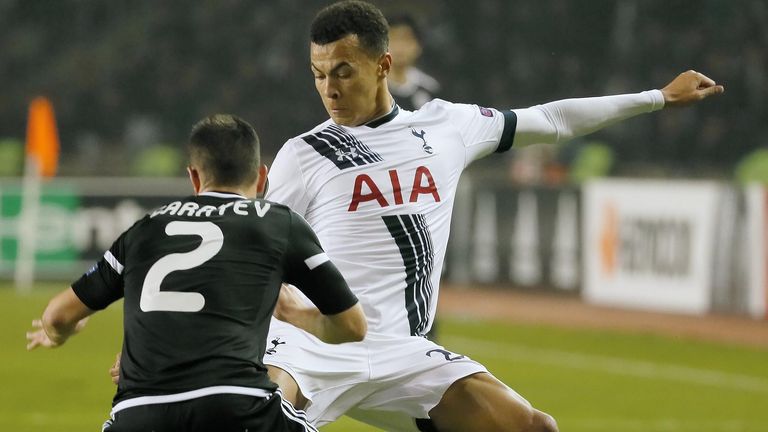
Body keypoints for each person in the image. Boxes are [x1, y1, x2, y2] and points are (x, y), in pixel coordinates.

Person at [260, 2, 724, 431]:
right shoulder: (305, 154)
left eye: (343, 71)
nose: (329, 89)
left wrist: (658, 97)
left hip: (402, 352)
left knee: (534, 428)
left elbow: (553, 120)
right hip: (313, 343)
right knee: (255, 420)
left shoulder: (447, 126)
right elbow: (261, 251)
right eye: (318, 74)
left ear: (383, 65)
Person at [26, 114, 367, 432]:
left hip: (139, 412)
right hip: (239, 406)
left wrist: (59, 334)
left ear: (193, 176)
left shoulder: (143, 230)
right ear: (262, 177)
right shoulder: (278, 223)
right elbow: (352, 326)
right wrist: (296, 315)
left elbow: (56, 316)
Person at [387, 13, 440, 111]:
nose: (399, 46)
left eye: (406, 39)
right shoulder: (369, 88)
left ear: (418, 46)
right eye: (393, 38)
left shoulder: (430, 88)